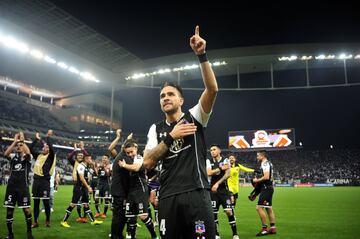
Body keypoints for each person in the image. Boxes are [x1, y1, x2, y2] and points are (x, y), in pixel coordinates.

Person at [143, 26, 218, 239]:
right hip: (167, 197)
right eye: (161, 96)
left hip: (196, 194)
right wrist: (171, 136)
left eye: (170, 94)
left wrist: (201, 55)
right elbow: (147, 162)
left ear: (181, 100)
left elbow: (212, 89)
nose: (165, 98)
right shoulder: (156, 129)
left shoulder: (195, 117)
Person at [118, 138, 158, 239]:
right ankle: (132, 237)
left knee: (143, 216)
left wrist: (124, 165)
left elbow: (136, 168)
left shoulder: (139, 158)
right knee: (131, 218)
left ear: (136, 148)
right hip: (130, 192)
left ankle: (154, 236)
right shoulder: (127, 159)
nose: (130, 154)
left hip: (140, 190)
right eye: (128, 152)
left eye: (131, 151)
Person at [3, 132, 34, 239]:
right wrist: (14, 142)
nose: (18, 147)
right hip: (11, 188)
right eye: (17, 146)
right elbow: (5, 154)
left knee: (26, 210)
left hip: (23, 188)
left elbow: (29, 152)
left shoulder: (27, 158)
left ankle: (29, 232)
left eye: (21, 146)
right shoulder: (13, 157)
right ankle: (10, 234)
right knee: (9, 210)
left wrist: (22, 141)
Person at [60, 155, 103, 227]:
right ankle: (63, 221)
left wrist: (93, 165)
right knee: (73, 204)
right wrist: (88, 187)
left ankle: (93, 221)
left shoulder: (87, 167)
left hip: (84, 188)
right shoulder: (81, 166)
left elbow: (96, 174)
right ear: (86, 159)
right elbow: (82, 178)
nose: (91, 160)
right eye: (90, 159)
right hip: (79, 188)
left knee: (86, 204)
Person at [207, 144, 239, 239]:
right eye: (211, 150)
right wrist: (221, 168)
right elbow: (208, 172)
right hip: (213, 192)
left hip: (224, 190)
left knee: (229, 212)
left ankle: (235, 234)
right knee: (214, 214)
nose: (212, 151)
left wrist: (218, 183)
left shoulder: (225, 160)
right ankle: (216, 234)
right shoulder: (208, 160)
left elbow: (228, 174)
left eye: (214, 149)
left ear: (219, 151)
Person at [30, 130, 56, 228]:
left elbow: (51, 148)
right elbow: (31, 149)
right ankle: (35, 221)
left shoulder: (51, 157)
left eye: (46, 147)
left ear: (49, 149)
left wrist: (48, 137)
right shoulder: (39, 156)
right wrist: (36, 139)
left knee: (46, 202)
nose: (44, 148)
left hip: (45, 182)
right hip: (36, 182)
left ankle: (47, 220)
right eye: (44, 147)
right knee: (36, 203)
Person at [108, 129, 130, 239]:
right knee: (118, 215)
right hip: (118, 191)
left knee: (120, 214)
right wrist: (120, 138)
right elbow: (110, 148)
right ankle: (115, 235)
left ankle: (117, 234)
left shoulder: (123, 159)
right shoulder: (119, 157)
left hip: (120, 190)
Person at [253, 150, 277, 237]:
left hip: (266, 188)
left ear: (262, 156)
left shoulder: (265, 163)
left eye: (258, 155)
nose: (257, 157)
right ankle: (273, 228)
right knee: (269, 208)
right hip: (269, 188)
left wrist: (256, 180)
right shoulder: (268, 163)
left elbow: (266, 177)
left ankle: (264, 229)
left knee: (259, 208)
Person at [66, 142, 89, 223]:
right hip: (77, 183)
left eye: (81, 156)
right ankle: (80, 217)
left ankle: (85, 217)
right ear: (76, 157)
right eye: (78, 156)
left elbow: (87, 156)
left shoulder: (85, 163)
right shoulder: (74, 162)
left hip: (84, 184)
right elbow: (69, 157)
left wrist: (82, 148)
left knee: (85, 202)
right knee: (77, 202)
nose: (80, 157)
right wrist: (74, 150)